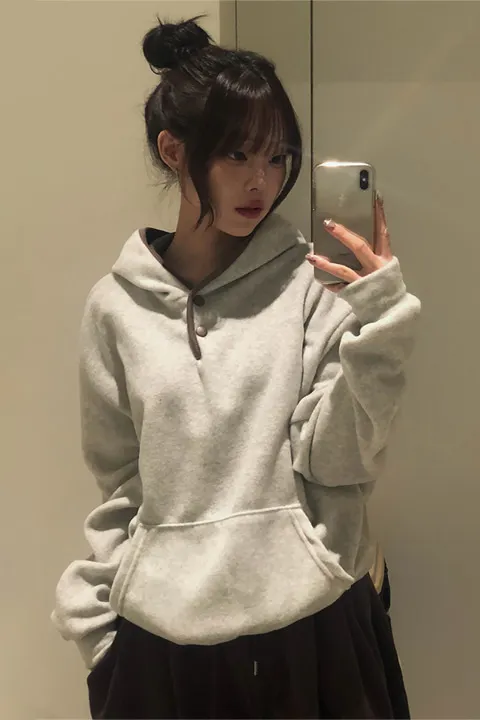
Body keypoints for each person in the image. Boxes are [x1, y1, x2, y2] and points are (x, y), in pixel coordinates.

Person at [51, 15, 421, 720]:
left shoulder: (310, 285)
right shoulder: (115, 309)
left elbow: (339, 462)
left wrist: (379, 325)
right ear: (174, 150)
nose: (262, 181)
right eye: (237, 154)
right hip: (164, 651)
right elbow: (121, 482)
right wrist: (101, 636)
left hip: (314, 632)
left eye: (277, 157)